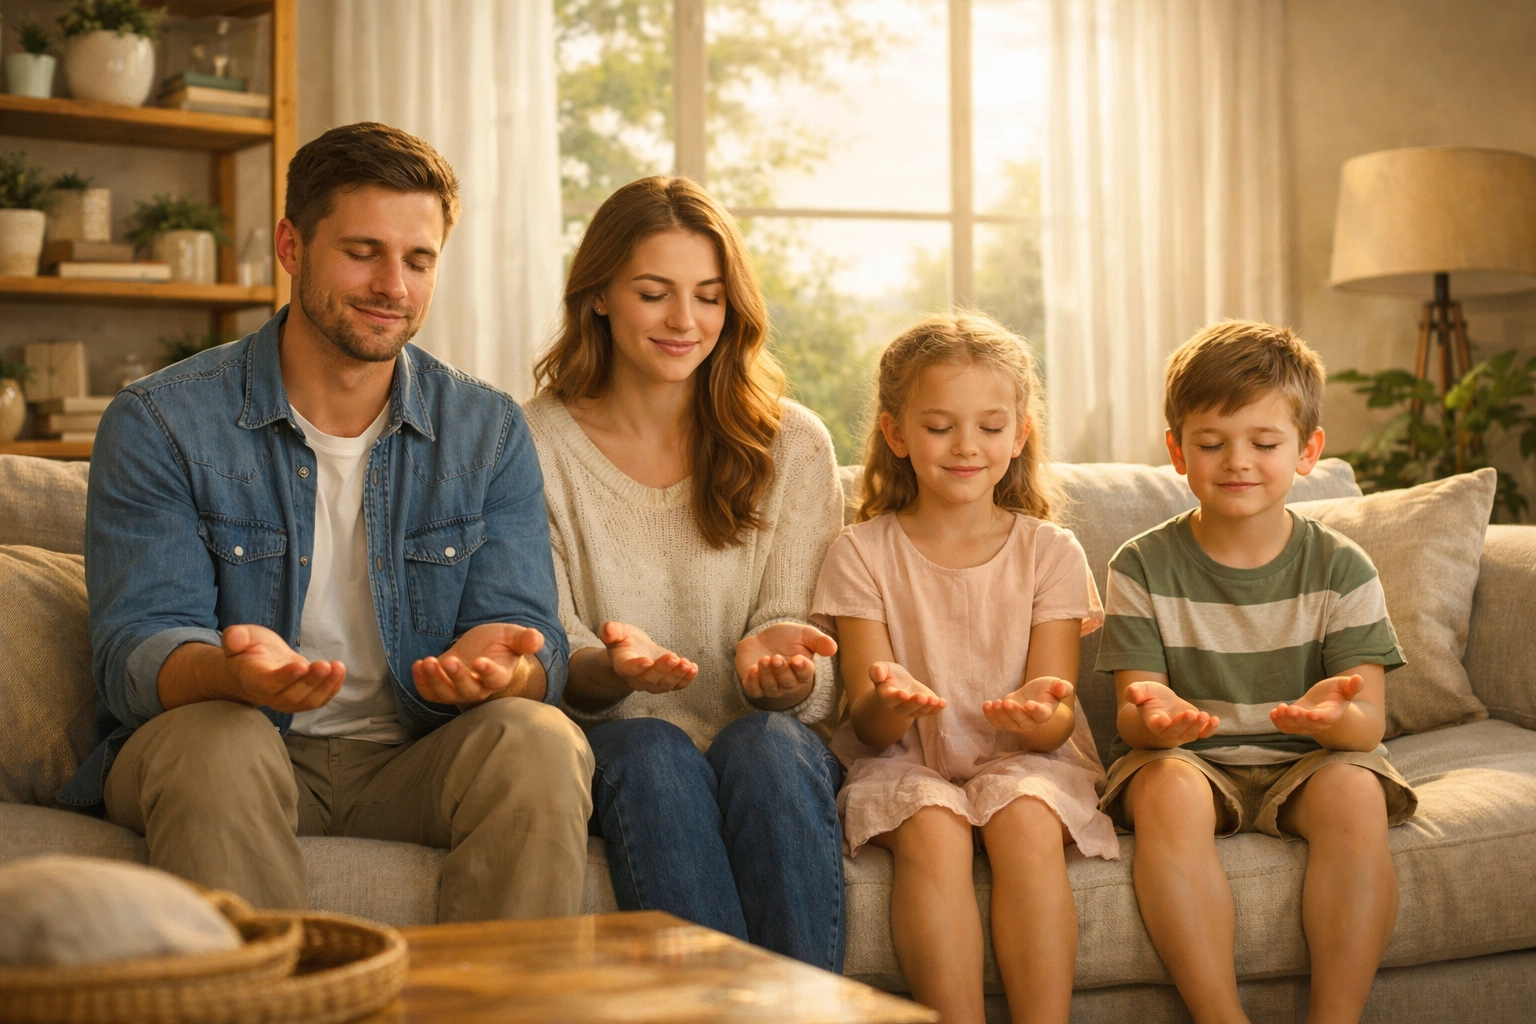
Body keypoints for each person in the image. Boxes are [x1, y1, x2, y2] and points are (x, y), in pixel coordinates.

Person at [59, 122, 595, 922]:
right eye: (362, 251)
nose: (393, 285)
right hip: (239, 743)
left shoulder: (486, 428)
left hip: (415, 756)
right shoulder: (163, 421)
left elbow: (526, 632)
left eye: (419, 260)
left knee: (538, 738)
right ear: (290, 245)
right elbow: (136, 652)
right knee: (221, 740)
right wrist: (230, 675)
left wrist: (501, 668)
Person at [524, 176, 846, 970]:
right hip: (624, 753)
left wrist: (788, 672)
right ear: (599, 295)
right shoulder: (533, 442)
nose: (685, 322)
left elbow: (816, 656)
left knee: (763, 746)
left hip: (771, 750)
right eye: (654, 293)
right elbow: (551, 653)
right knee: (649, 748)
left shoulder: (793, 445)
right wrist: (606, 668)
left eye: (708, 296)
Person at [1096, 320, 1417, 1024]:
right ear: (1179, 452)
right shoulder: (1139, 566)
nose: (1237, 461)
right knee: (1166, 793)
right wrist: (1157, 718)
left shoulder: (1342, 567)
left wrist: (1337, 720)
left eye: (1265, 444)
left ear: (1308, 452)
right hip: (1187, 761)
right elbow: (1131, 713)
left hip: (1308, 761)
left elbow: (1369, 724)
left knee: (1356, 799)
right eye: (1211, 444)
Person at [812, 313, 1118, 1024]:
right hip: (904, 759)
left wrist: (1044, 715)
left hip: (1027, 761)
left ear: (1019, 434)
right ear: (896, 433)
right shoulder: (859, 553)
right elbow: (867, 715)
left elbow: (1054, 720)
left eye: (988, 426)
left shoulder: (1052, 553)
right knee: (929, 823)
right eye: (940, 426)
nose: (966, 447)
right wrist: (894, 698)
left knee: (1025, 815)